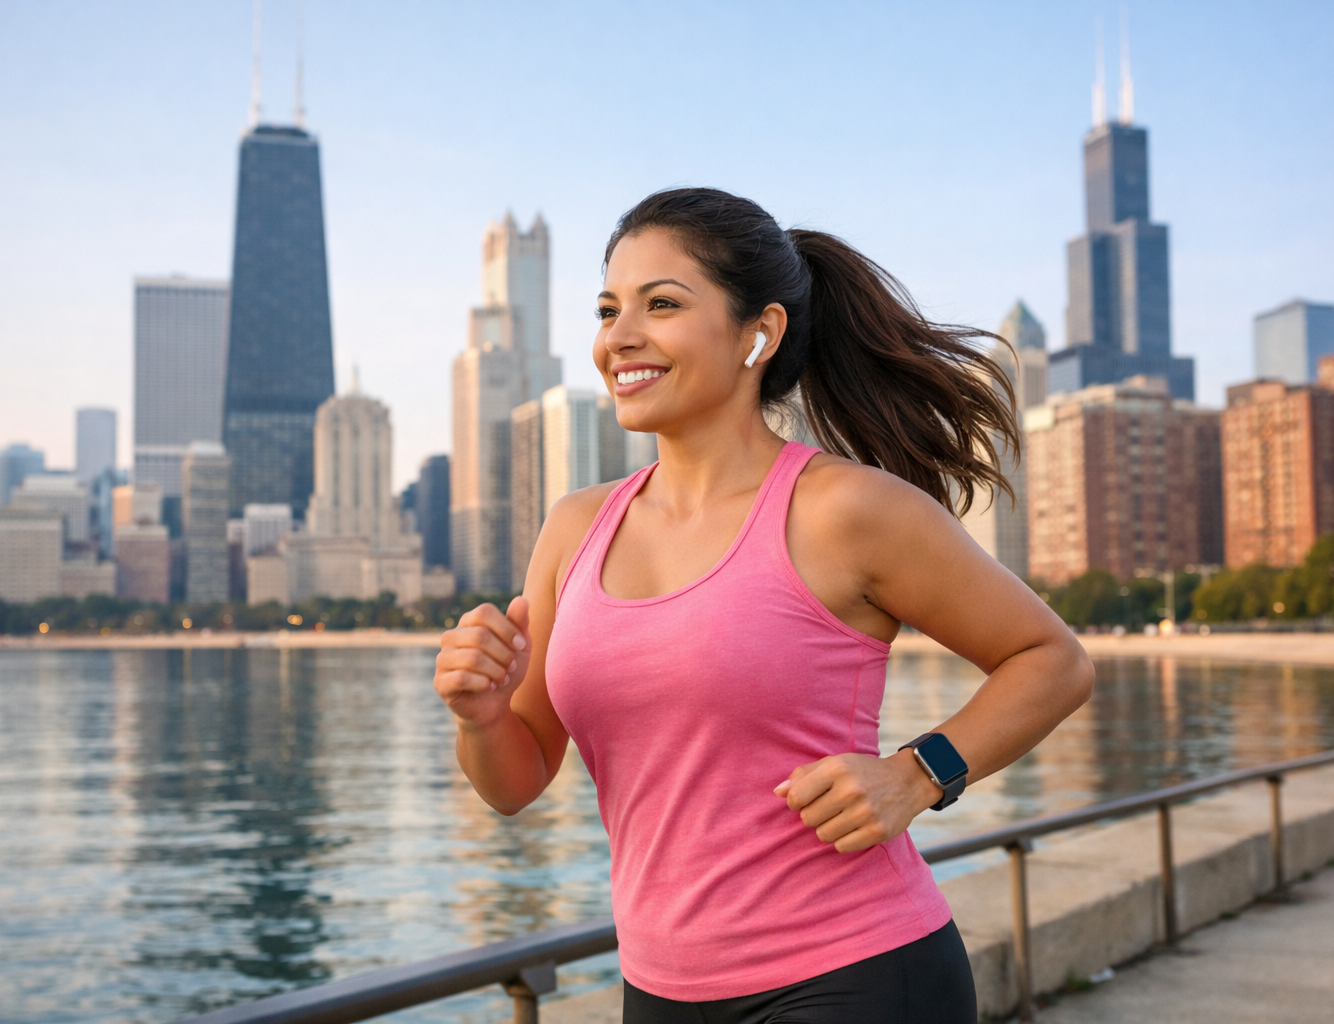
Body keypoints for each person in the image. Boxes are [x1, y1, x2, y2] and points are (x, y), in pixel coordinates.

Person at [434, 187, 1094, 1023]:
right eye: (608, 310)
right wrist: (481, 716)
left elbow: (1053, 659)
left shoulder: (845, 510)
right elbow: (515, 782)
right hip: (661, 989)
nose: (619, 337)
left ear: (761, 332)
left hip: (855, 973)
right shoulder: (573, 529)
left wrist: (919, 774)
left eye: (661, 304)